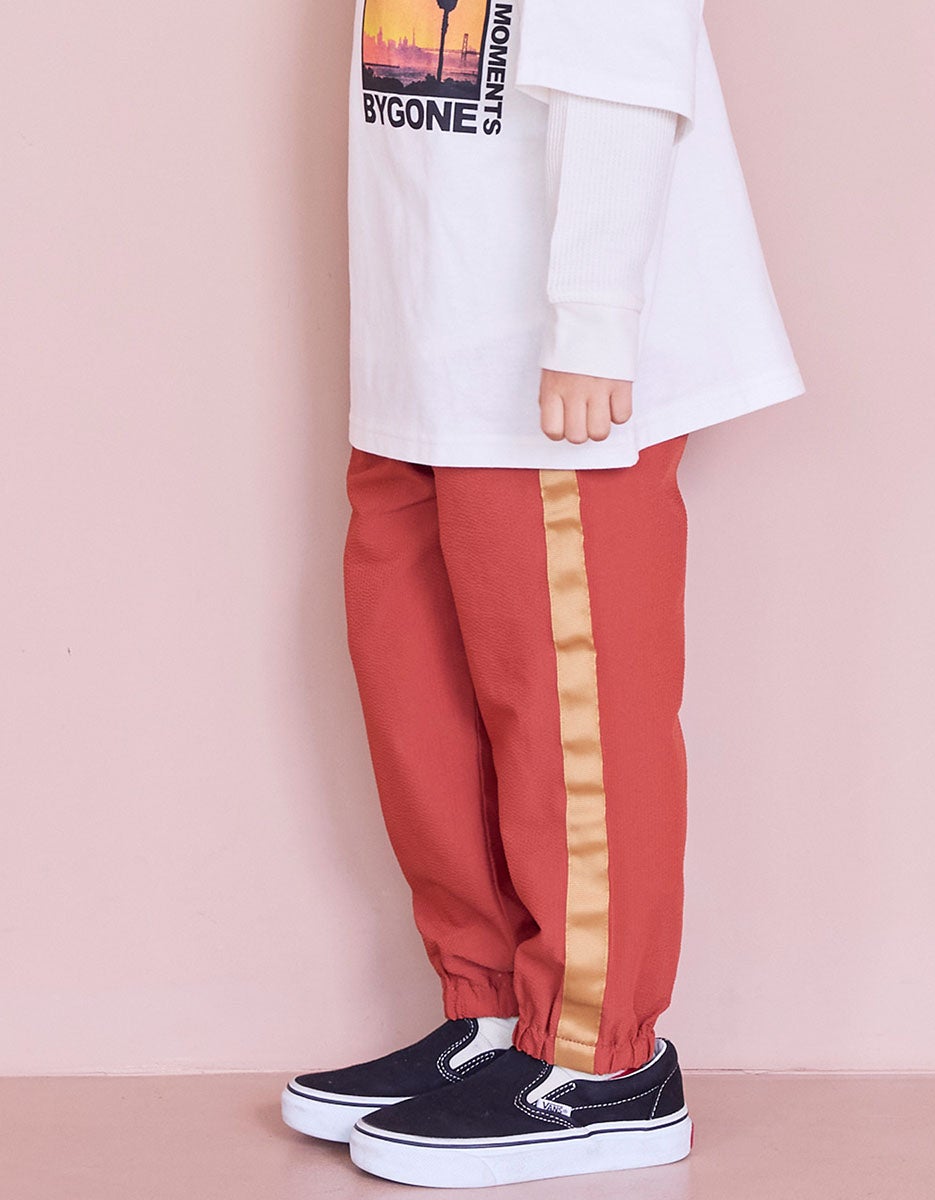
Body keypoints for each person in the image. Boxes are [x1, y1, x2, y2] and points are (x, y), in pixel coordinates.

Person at [281, 0, 804, 1187]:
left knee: (571, 720)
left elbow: (625, 69)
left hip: (549, 367)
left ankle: (602, 1062)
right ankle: (491, 1013)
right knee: (422, 701)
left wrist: (593, 320)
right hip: (428, 348)